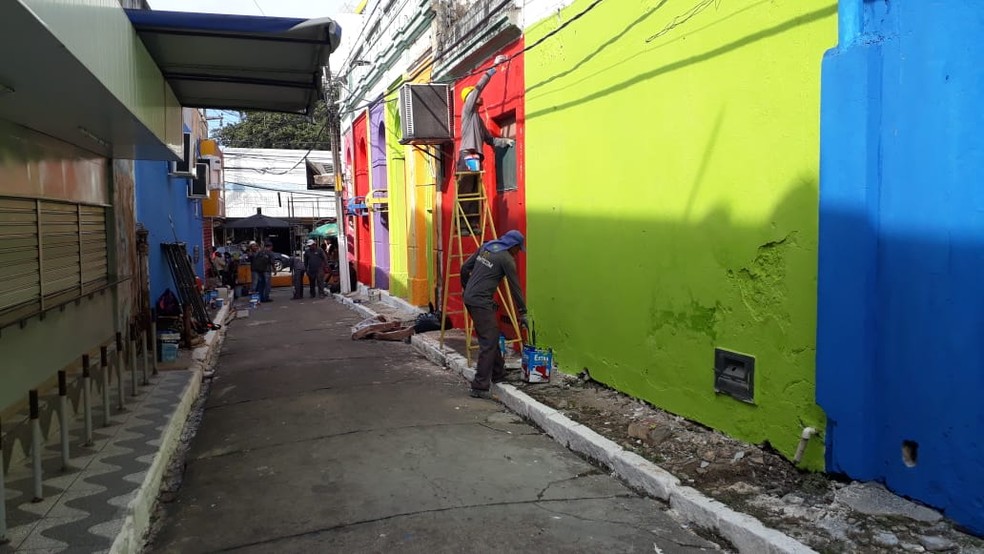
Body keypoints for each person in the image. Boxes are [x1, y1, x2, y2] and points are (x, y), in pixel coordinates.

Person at [459, 229, 528, 399]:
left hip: (471, 298)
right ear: (513, 246)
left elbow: (464, 268)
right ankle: (480, 386)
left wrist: (468, 289)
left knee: (492, 333)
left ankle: (498, 373)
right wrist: (523, 312)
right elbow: (515, 288)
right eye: (518, 249)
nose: (518, 253)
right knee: (488, 341)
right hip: (480, 301)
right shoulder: (506, 259)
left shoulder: (487, 247)